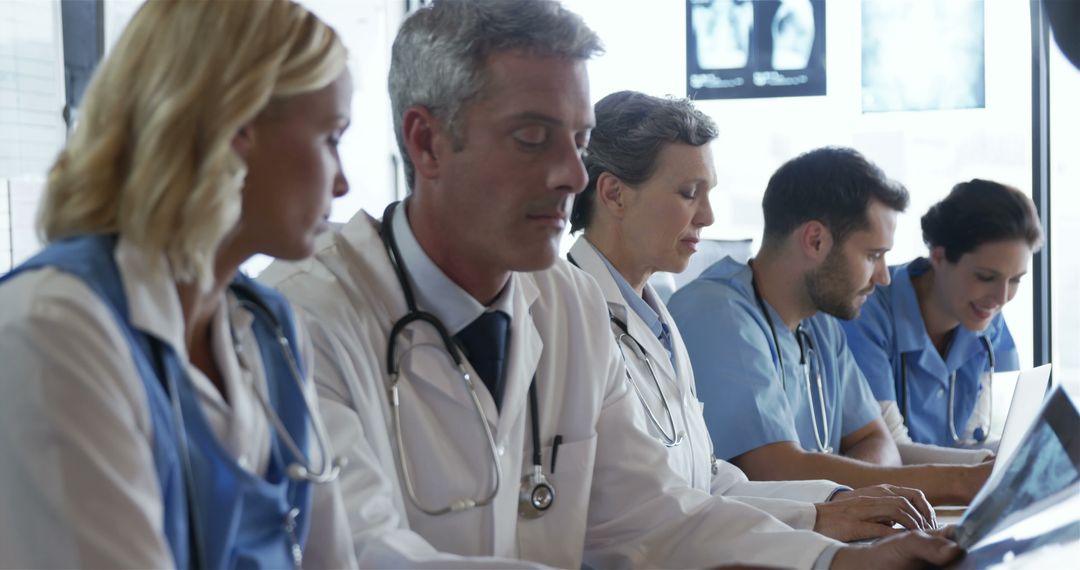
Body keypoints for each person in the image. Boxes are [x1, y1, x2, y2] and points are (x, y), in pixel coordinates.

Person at [264, 2, 962, 568]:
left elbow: (649, 513)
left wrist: (832, 559)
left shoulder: (565, 304)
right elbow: (365, 554)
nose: (572, 174)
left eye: (579, 137)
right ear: (426, 143)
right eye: (535, 138)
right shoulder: (304, 316)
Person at [0, 1, 356, 567]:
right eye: (331, 137)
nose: (343, 182)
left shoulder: (271, 331)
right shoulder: (52, 331)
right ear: (237, 127)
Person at [567, 89, 937, 540]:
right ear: (614, 194)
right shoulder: (570, 318)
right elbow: (645, 510)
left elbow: (707, 480)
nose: (707, 215)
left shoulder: (651, 320)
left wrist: (839, 501)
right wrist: (821, 525)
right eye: (689, 194)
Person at [669, 146, 993, 506]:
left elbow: (879, 442)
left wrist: (849, 489)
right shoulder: (717, 313)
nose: (884, 277)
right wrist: (961, 481)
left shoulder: (820, 324)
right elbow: (774, 470)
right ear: (815, 240)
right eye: (873, 256)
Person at [840, 180, 1042, 450]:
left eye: (1015, 280)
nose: (1001, 298)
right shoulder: (866, 314)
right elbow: (889, 449)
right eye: (985, 277)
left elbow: (974, 439)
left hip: (950, 490)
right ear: (938, 257)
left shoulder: (987, 320)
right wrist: (992, 465)